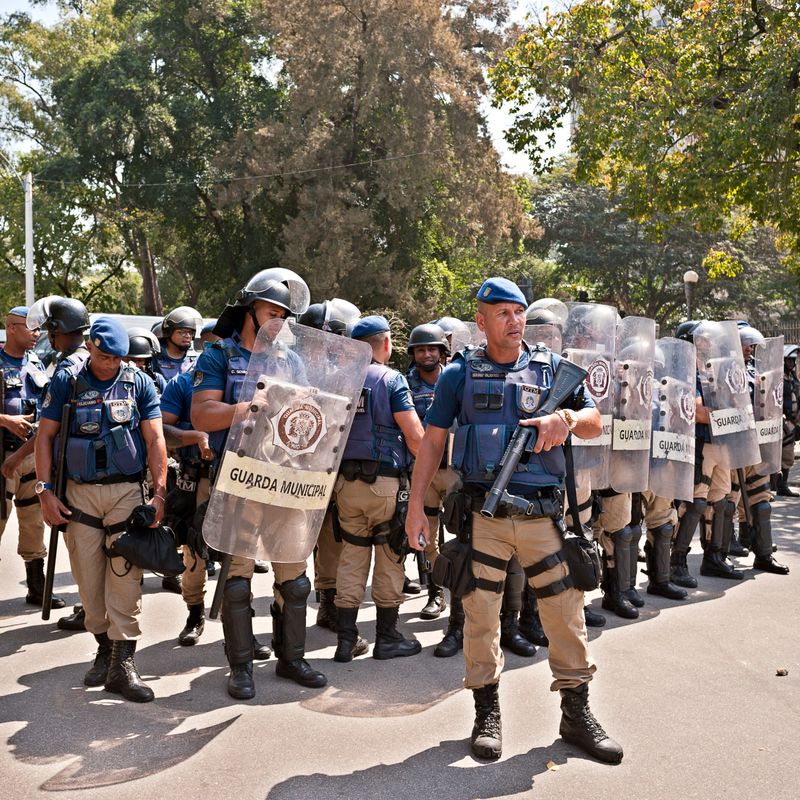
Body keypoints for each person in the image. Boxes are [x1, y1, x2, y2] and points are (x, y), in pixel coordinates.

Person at [406, 277, 623, 764]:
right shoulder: (457, 375)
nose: (513, 320)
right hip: (484, 515)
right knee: (480, 618)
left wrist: (562, 421)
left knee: (566, 615)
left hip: (543, 515)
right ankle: (487, 711)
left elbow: (595, 421)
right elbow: (433, 443)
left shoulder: (552, 370)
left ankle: (576, 713)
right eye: (501, 312)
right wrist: (416, 506)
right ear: (480, 321)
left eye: (519, 311)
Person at [192, 269, 326, 699]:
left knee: (295, 576)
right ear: (250, 310)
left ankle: (292, 658)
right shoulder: (218, 357)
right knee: (237, 578)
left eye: (286, 315)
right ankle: (241, 667)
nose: (279, 321)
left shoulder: (291, 359)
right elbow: (201, 415)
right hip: (238, 479)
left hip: (284, 478)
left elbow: (308, 413)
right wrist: (245, 407)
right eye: (272, 312)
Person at [35, 317, 167, 702]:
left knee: (126, 576)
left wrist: (158, 495)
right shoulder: (68, 381)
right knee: (90, 584)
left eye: (119, 358)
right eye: (106, 356)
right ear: (91, 345)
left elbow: (155, 438)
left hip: (126, 492)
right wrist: (44, 491)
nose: (113, 364)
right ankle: (104, 648)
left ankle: (123, 665)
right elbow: (46, 436)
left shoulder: (138, 382)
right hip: (79, 495)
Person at [333, 315, 425, 663]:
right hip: (385, 485)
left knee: (352, 557)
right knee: (390, 556)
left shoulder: (342, 381)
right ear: (385, 343)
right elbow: (416, 438)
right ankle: (387, 637)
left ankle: (346, 640)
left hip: (346, 485)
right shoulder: (392, 379)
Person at [297, 298, 362, 632]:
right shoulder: (294, 369)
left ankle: (329, 601)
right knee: (306, 535)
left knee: (334, 535)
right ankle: (309, 604)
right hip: (302, 465)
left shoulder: (351, 374)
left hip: (340, 465)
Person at [26, 297, 91, 629]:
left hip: (73, 473)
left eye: (51, 330)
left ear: (59, 332)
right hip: (104, 472)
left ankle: (89, 610)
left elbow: (47, 434)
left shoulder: (67, 370)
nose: (49, 337)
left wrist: (45, 486)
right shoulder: (100, 361)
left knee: (80, 547)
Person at [0, 306, 65, 609]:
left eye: (38, 329)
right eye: (29, 328)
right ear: (10, 328)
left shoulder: (36, 362)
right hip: (3, 453)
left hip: (32, 453)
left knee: (33, 520)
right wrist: (5, 420)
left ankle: (36, 587)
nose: (36, 334)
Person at [406, 322, 458, 621]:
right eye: (421, 349)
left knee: (464, 530)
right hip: (423, 471)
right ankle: (435, 593)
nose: (427, 354)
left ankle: (463, 593)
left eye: (432, 349)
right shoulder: (405, 384)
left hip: (453, 469)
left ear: (443, 352)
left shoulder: (453, 380)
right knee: (427, 536)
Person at [153, 306, 202, 381]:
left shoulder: (197, 359)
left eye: (190, 332)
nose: (188, 336)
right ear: (169, 332)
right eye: (182, 332)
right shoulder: (155, 358)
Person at [778, 344, 800, 497]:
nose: (791, 364)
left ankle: (782, 485)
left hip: (793, 422)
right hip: (781, 422)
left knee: (787, 455)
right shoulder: (777, 377)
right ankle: (774, 487)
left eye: (793, 361)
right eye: (788, 361)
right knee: (776, 455)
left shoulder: (793, 378)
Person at [126, 327, 167, 395]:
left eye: (139, 360)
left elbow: (168, 402)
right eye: (129, 360)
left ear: (147, 362)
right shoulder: (114, 381)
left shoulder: (157, 380)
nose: (135, 365)